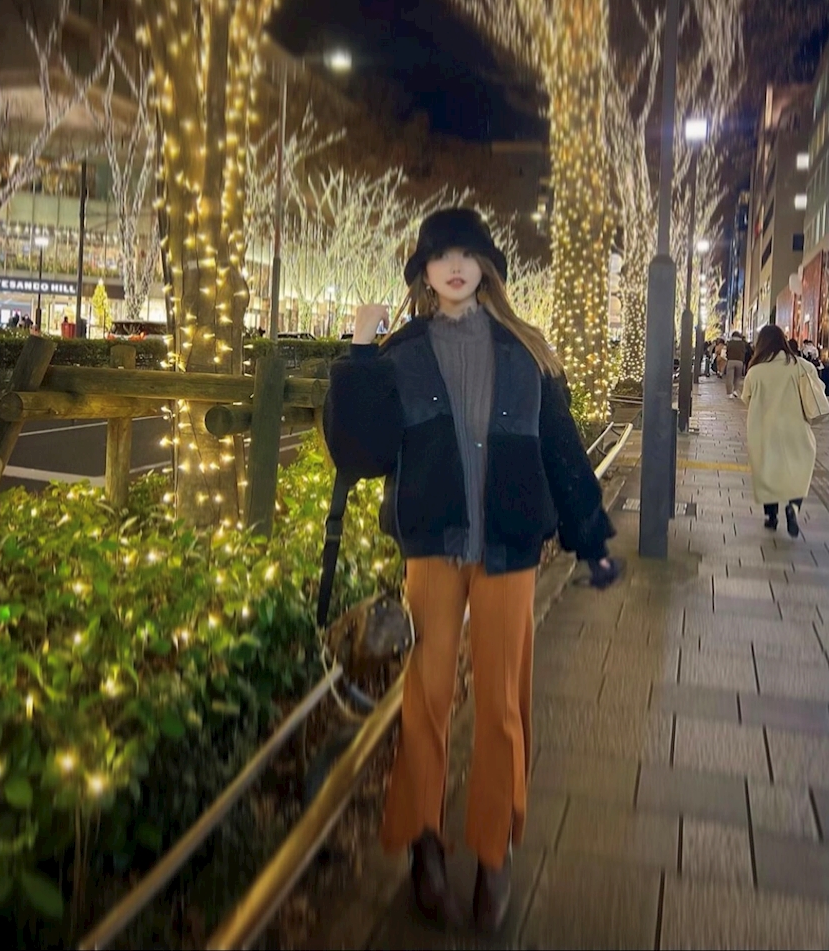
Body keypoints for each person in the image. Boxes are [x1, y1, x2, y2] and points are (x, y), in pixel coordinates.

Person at [323, 208, 621, 933]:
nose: (454, 266)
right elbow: (359, 455)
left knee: (502, 707)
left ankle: (493, 852)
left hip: (510, 550)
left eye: (466, 253)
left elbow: (560, 447)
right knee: (425, 701)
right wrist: (358, 353)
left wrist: (589, 535)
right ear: (423, 273)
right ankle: (424, 848)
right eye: (440, 256)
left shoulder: (527, 349)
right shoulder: (400, 354)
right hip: (432, 547)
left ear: (486, 266)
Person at [741, 324, 818, 538]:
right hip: (797, 429)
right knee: (798, 471)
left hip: (764, 431)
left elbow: (746, 398)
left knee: (768, 472)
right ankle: (793, 507)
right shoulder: (801, 366)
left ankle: (771, 516)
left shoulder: (755, 371)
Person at [724, 331, 747, 397]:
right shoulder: (742, 343)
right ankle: (735, 390)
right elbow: (744, 351)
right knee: (737, 377)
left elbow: (727, 351)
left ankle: (730, 393)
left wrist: (728, 356)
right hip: (740, 361)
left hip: (731, 361)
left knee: (729, 377)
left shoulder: (730, 343)